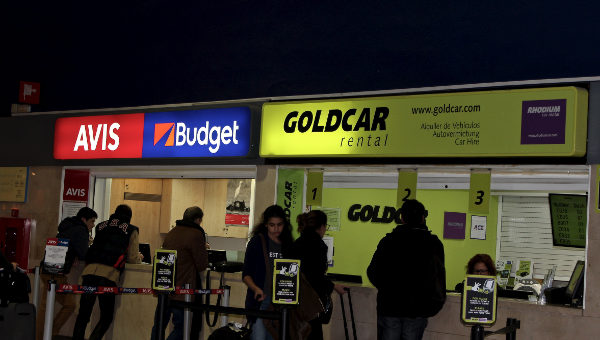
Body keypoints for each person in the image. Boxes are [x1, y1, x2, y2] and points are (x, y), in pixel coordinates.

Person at [367, 199, 446, 340]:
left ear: (402, 218)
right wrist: (432, 305)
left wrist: (388, 289)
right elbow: (438, 278)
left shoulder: (388, 241)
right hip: (417, 309)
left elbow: (373, 272)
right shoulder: (433, 244)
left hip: (389, 306)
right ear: (423, 218)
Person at [72, 204, 142, 340]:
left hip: (89, 272)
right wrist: (139, 257)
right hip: (108, 275)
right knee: (107, 316)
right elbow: (132, 258)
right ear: (129, 217)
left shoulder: (101, 226)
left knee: (84, 314)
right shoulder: (132, 229)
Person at [37, 206, 97, 339]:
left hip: (50, 269)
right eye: (92, 221)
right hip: (55, 272)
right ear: (84, 219)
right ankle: (42, 335)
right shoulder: (81, 230)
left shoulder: (69, 226)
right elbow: (84, 254)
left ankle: (49, 333)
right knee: (47, 307)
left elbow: (72, 246)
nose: (93, 225)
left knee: (68, 304)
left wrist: (73, 255)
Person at [150, 206, 209, 340]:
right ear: (198, 219)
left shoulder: (172, 232)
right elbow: (202, 264)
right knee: (182, 328)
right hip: (182, 289)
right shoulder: (196, 234)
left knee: (159, 325)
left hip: (164, 287)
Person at [290, 210, 346, 340]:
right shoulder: (318, 245)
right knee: (313, 334)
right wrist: (333, 286)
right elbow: (315, 275)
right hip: (309, 303)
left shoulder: (296, 243)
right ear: (321, 227)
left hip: (293, 301)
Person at [242, 205, 294, 340]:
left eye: (279, 225)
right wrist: (255, 288)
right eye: (272, 225)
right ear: (265, 225)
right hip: (260, 301)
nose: (276, 229)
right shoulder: (257, 242)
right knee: (258, 337)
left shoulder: (288, 244)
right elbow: (246, 274)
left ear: (284, 224)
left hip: (280, 303)